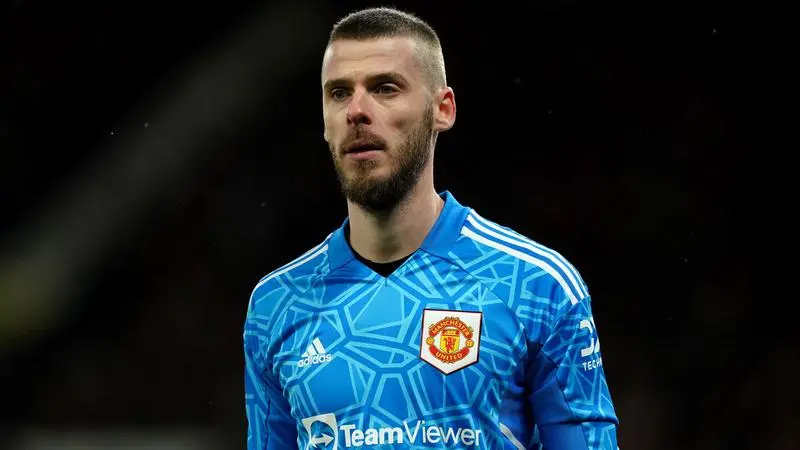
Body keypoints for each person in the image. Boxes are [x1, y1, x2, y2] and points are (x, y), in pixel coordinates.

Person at [243, 6, 619, 449]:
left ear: (442, 109)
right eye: (339, 93)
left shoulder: (536, 285)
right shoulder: (277, 304)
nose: (357, 111)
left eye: (384, 88)